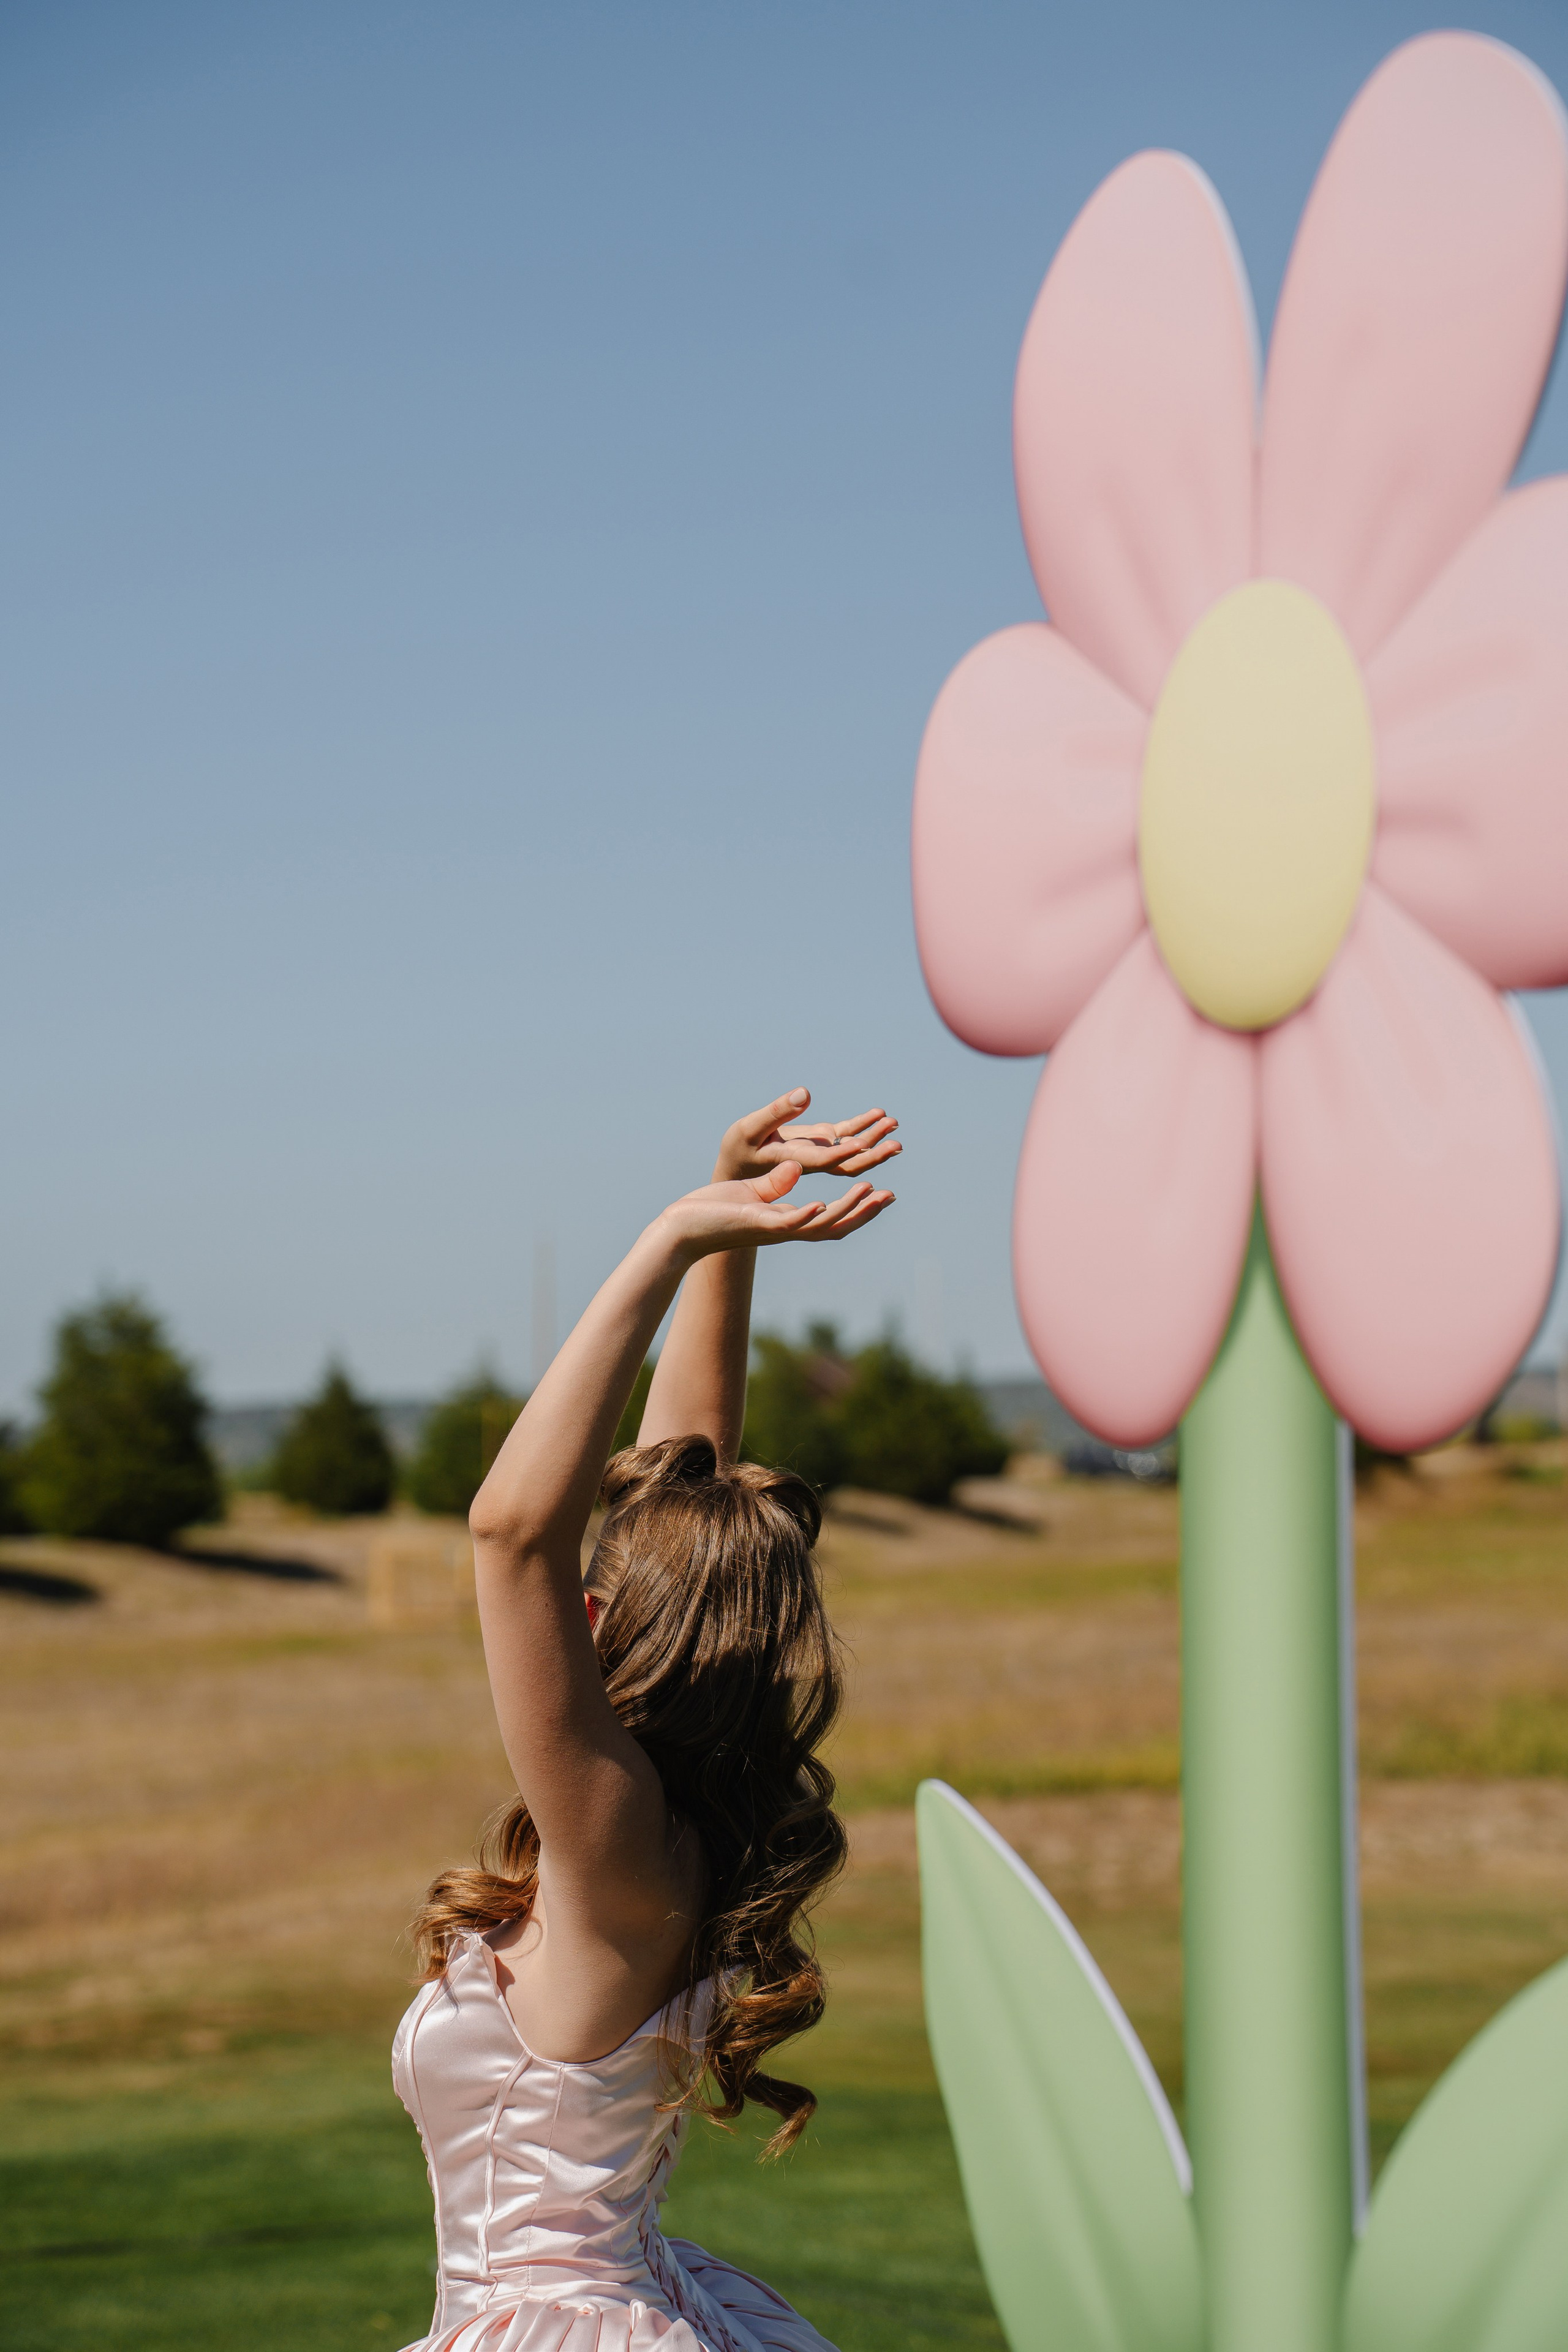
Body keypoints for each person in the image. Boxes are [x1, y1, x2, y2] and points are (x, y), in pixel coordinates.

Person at [393, 1088, 900, 2352]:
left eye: (592, 1593)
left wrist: (663, 1241)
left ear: (614, 1619)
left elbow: (510, 1533)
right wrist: (730, 1230)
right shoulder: (676, 1817)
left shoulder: (617, 1833)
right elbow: (690, 1468)